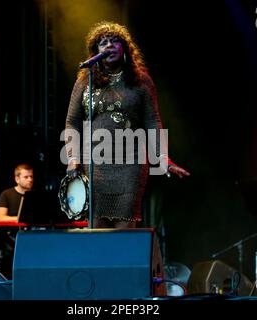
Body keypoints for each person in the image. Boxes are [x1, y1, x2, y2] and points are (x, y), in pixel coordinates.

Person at [64, 21, 189, 229]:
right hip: (95, 166)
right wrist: (73, 157)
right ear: (95, 51)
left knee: (124, 232)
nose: (109, 46)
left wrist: (162, 158)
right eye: (103, 43)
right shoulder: (85, 81)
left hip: (130, 166)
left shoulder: (141, 81)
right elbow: (72, 121)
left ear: (125, 48)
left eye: (115, 41)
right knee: (96, 230)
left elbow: (153, 121)